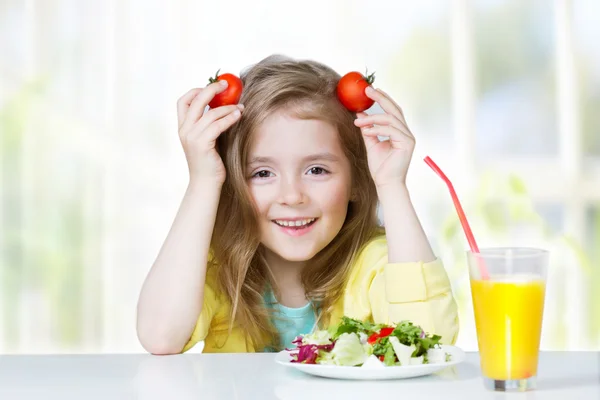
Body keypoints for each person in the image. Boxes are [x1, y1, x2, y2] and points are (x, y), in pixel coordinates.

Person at [136, 55, 459, 354]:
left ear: (357, 182)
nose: (291, 196)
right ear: (233, 184)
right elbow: (161, 336)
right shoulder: (218, 271)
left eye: (316, 170)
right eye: (262, 173)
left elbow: (428, 344)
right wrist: (203, 182)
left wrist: (391, 184)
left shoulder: (375, 265)